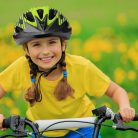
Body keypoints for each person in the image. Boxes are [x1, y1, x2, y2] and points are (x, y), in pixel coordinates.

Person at [0, 6, 135, 138]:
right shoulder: (21, 67)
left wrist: (124, 107)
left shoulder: (81, 67)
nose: (45, 51)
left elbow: (115, 90)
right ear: (26, 49)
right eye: (36, 44)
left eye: (52, 42)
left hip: (83, 129)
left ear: (63, 44)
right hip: (41, 131)